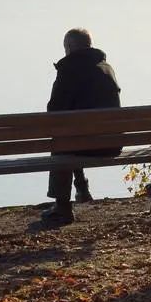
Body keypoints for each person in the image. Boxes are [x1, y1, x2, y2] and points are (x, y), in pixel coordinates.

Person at [42, 28, 122, 224]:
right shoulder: (107, 68)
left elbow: (54, 113)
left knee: (62, 141)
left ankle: (62, 206)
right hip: (111, 144)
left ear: (69, 47)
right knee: (73, 137)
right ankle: (82, 189)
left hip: (83, 145)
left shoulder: (68, 70)